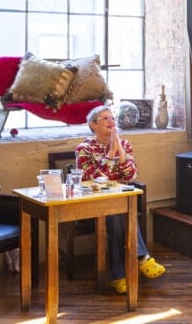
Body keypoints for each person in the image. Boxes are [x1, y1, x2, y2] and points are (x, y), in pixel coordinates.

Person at [76, 105, 166, 294]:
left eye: (112, 117)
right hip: (95, 203)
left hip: (120, 201)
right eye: (105, 118)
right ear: (93, 125)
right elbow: (88, 179)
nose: (111, 121)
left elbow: (131, 176)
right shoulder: (84, 148)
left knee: (119, 216)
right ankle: (142, 258)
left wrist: (121, 153)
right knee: (120, 215)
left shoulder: (124, 144)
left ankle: (119, 277)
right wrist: (110, 154)